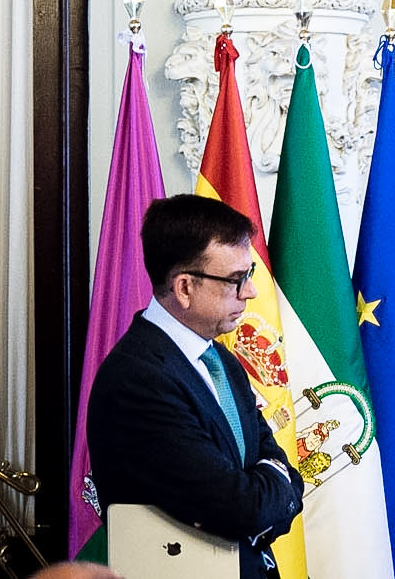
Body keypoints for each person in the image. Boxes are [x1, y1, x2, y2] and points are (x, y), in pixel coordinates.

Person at [85, 195, 304, 579]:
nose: (250, 292)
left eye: (249, 272)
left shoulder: (224, 362)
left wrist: (268, 484)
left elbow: (283, 471)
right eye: (237, 279)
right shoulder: (139, 379)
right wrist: (269, 485)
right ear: (184, 287)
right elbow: (240, 508)